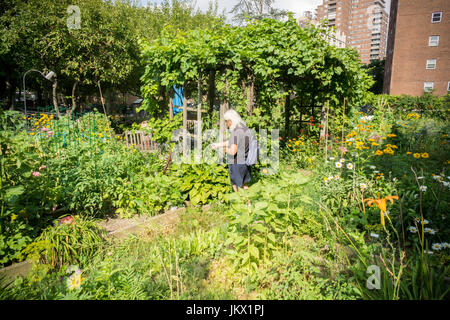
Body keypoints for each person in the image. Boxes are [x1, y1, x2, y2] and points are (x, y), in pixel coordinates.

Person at [212, 109, 251, 192]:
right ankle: (248, 204)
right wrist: (218, 145)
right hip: (245, 161)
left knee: (236, 184)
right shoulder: (245, 129)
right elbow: (232, 142)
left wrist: (224, 150)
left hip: (237, 163)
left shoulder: (235, 132)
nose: (226, 124)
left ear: (231, 120)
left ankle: (240, 202)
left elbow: (233, 151)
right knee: (244, 184)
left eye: (226, 121)